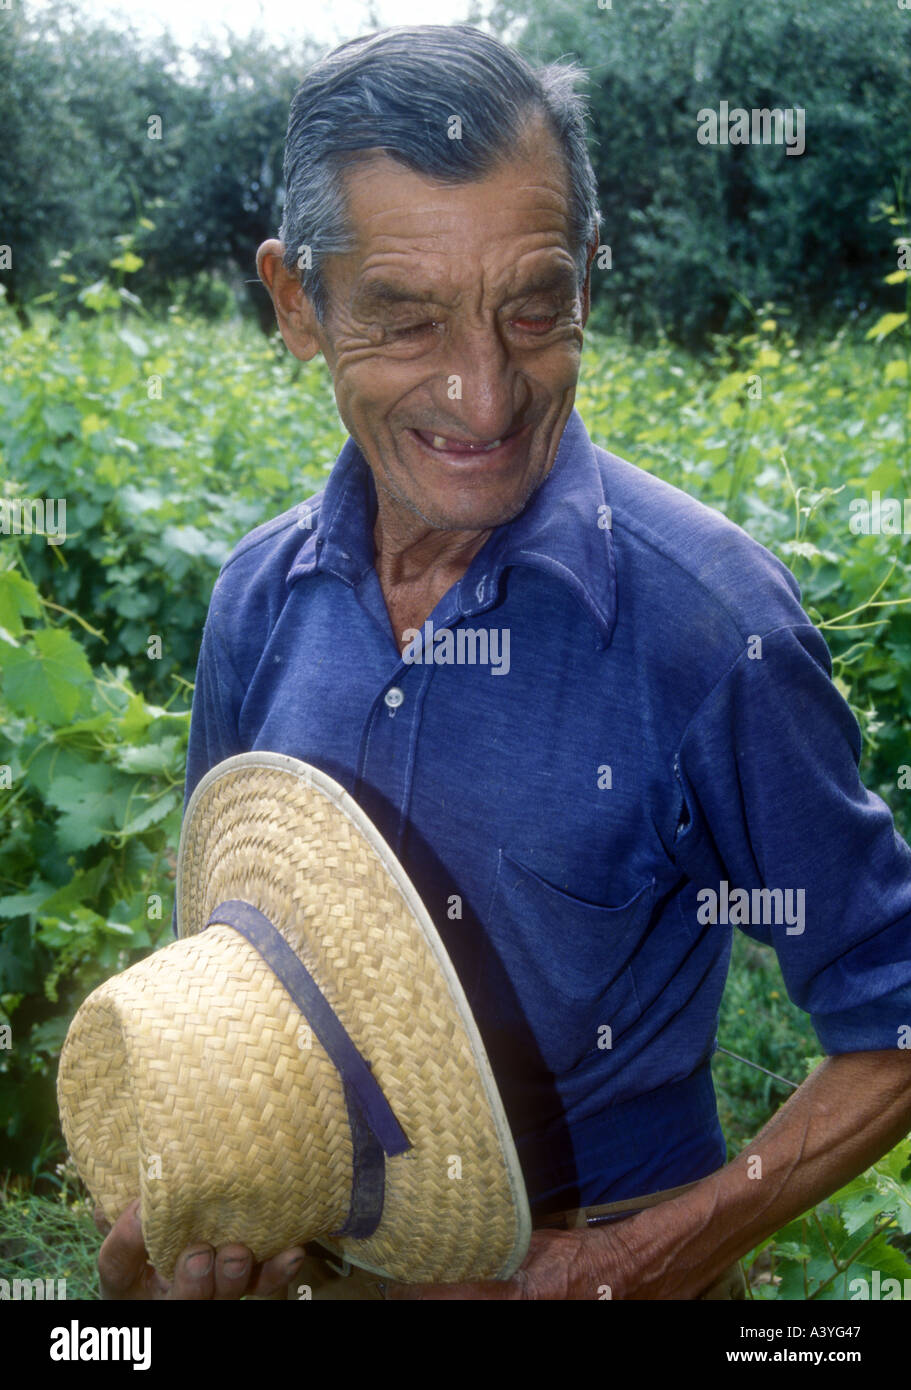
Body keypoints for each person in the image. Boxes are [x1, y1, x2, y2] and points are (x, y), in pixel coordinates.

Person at [96, 24, 911, 1301]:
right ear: (296, 304)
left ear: (588, 276)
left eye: (534, 310)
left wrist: (644, 1258)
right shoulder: (257, 597)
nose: (484, 397)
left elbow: (896, 1020)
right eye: (407, 322)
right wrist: (230, 1216)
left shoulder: (712, 622)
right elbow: (231, 958)